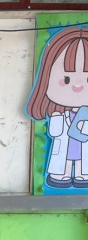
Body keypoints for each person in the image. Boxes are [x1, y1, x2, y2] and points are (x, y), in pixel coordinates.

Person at [26, 28, 88, 187]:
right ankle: (62, 176)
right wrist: (55, 119)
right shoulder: (59, 115)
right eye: (66, 79)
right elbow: (54, 133)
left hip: (83, 149)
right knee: (63, 166)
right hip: (65, 149)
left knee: (83, 165)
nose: (78, 85)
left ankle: (82, 175)